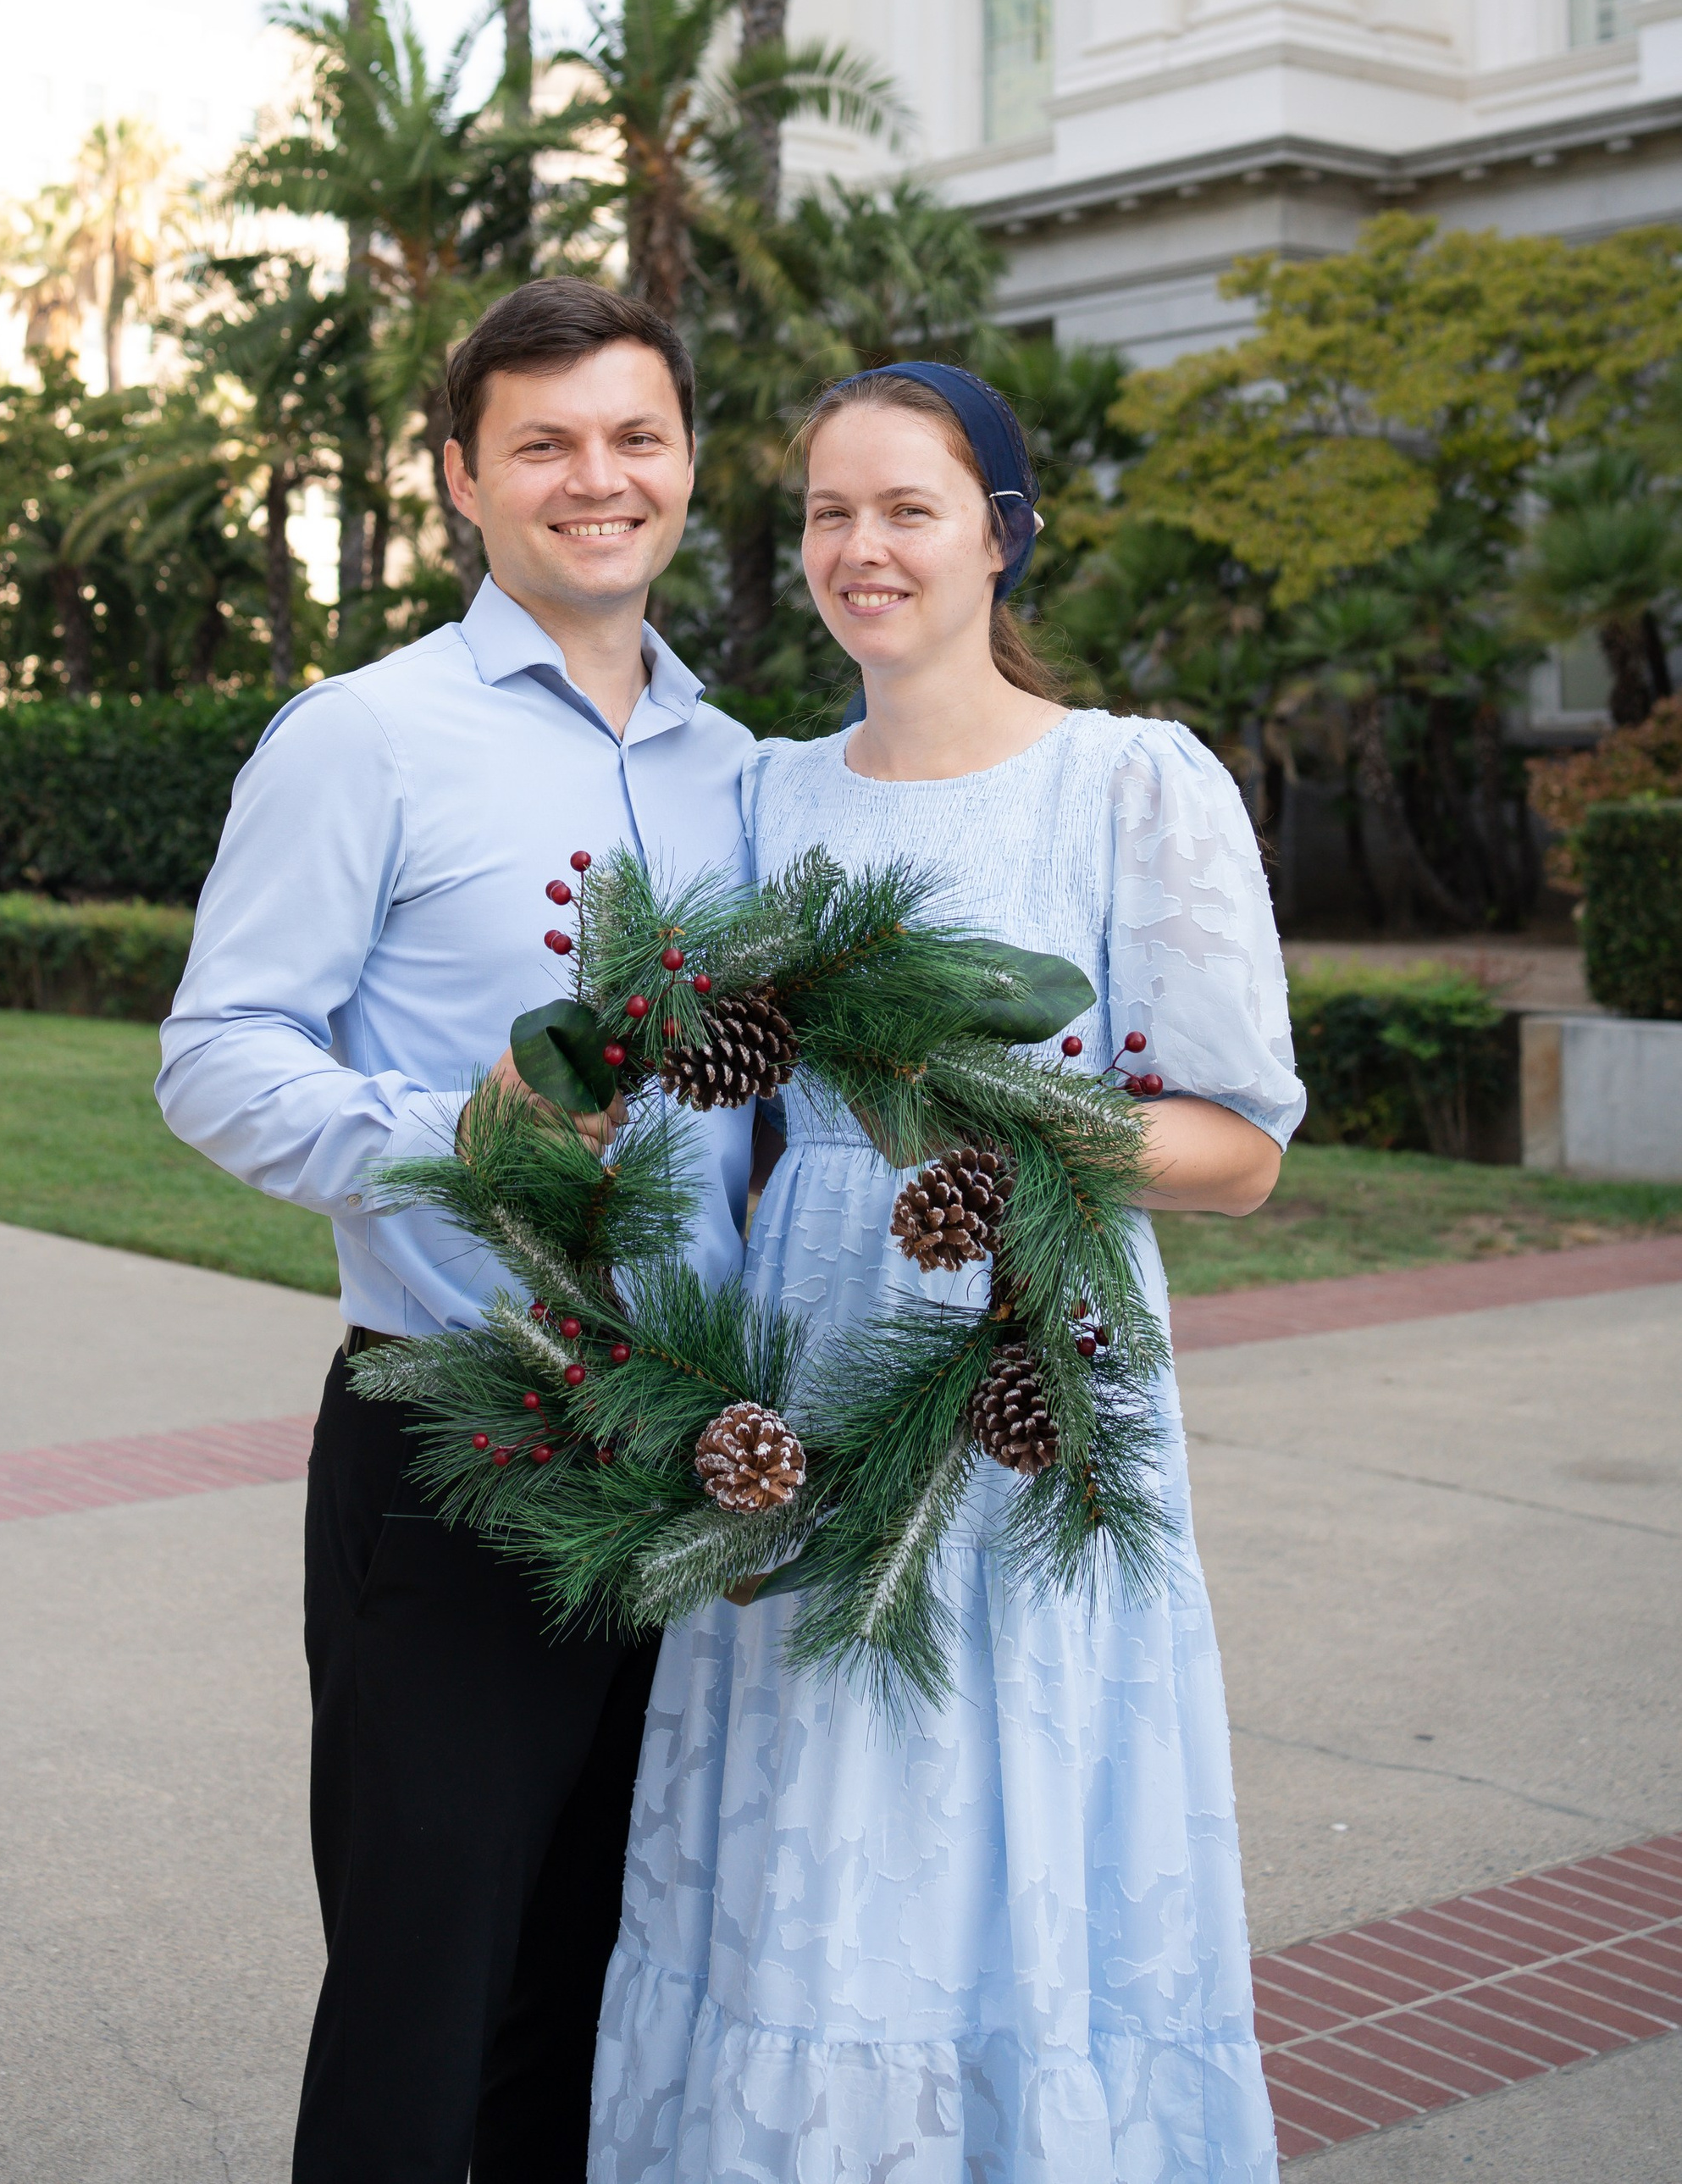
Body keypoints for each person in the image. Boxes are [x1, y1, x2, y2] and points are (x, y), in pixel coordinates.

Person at [589, 362, 1302, 2184]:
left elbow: (1239, 1144)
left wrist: (1011, 1129)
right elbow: (704, 1109)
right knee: (821, 1800)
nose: (858, 547)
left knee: (1011, 1785)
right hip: (806, 1350)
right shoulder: (759, 791)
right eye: (826, 509)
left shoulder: (1127, 779)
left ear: (999, 530)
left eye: (904, 506)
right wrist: (667, 1365)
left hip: (1031, 1361)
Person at [158, 278, 759, 2184]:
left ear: (686, 461)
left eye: (634, 435)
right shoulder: (364, 736)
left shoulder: (744, 771)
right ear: (458, 479)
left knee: (608, 1993)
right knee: (428, 2002)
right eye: (545, 442)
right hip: (457, 1440)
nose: (599, 477)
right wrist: (458, 1135)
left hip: (700, 1462)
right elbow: (217, 1058)